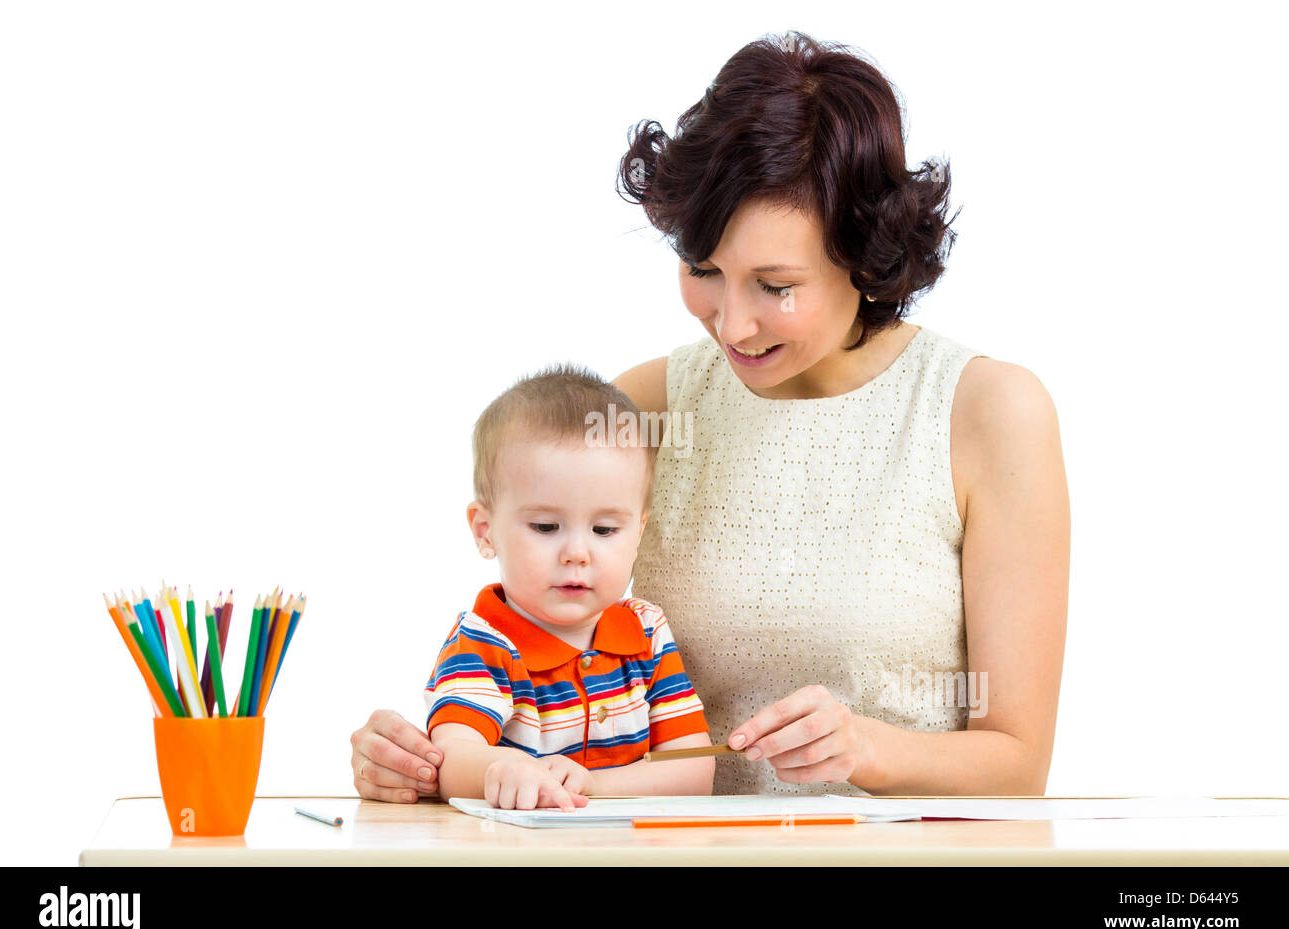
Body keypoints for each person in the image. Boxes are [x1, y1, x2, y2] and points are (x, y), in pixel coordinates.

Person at [350, 31, 1069, 802]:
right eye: (703, 271)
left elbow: (1016, 761)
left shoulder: (984, 414)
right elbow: (532, 650)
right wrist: (422, 763)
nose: (730, 326)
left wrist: (869, 748)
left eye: (775, 285)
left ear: (868, 257)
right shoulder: (645, 412)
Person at [417, 365, 714, 810]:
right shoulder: (482, 643)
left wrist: (592, 785)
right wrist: (501, 770)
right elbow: (453, 760)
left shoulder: (647, 633)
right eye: (545, 525)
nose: (577, 552)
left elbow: (693, 770)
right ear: (485, 530)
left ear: (639, 532)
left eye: (605, 529)